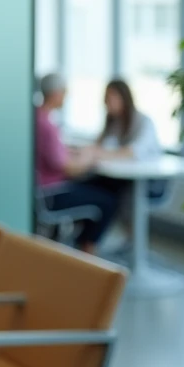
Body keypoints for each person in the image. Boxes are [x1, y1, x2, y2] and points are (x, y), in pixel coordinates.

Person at [34, 73, 118, 253]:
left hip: (44, 189)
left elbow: (54, 155)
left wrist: (74, 153)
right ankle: (87, 249)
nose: (66, 96)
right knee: (108, 201)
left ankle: (80, 243)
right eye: (64, 92)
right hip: (52, 193)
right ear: (56, 93)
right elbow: (69, 169)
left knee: (96, 187)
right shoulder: (47, 126)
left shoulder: (37, 118)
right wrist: (90, 159)